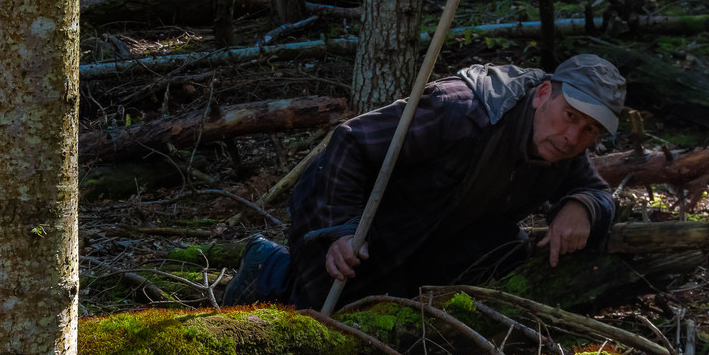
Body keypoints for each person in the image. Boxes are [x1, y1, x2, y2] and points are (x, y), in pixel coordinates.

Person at [225, 55, 625, 309]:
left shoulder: (559, 149)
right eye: (570, 115)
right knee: (324, 312)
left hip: (425, 230)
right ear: (542, 94)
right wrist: (340, 230)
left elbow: (597, 192)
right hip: (344, 203)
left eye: (590, 130)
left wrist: (582, 207)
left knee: (494, 253)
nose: (574, 137)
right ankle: (268, 265)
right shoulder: (463, 109)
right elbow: (351, 142)